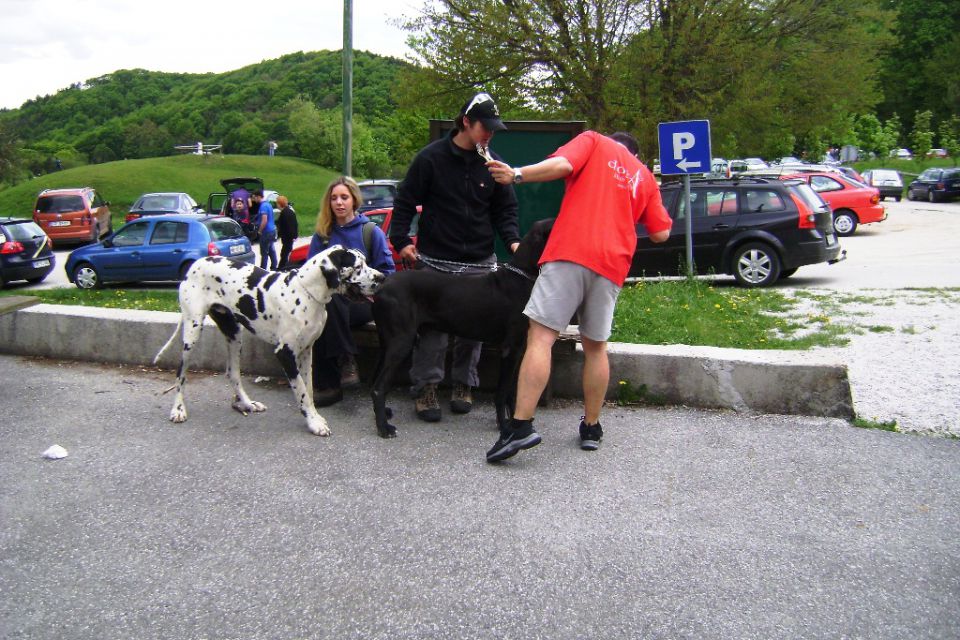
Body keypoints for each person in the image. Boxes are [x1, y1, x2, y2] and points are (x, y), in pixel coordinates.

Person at [483, 131, 673, 463]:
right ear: (635, 153)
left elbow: (562, 164)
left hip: (570, 251)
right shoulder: (644, 177)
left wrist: (516, 174)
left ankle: (520, 426)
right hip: (612, 264)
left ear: (613, 143)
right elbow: (661, 233)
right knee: (595, 347)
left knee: (541, 336)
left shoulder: (595, 142)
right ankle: (591, 427)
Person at [390, 91, 521, 423]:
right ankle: (426, 388)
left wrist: (514, 241)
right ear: (466, 122)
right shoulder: (431, 159)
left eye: (493, 128)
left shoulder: (494, 165)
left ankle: (464, 385)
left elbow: (506, 210)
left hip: (479, 262)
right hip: (435, 261)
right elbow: (405, 199)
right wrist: (402, 239)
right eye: (484, 127)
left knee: (474, 331)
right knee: (431, 332)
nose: (490, 133)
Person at [308, 176, 395, 406]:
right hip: (331, 303)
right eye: (334, 198)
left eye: (344, 197)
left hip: (364, 303)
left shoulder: (370, 231)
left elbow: (387, 271)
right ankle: (338, 371)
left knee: (330, 308)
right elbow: (309, 273)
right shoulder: (323, 235)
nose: (339, 202)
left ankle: (331, 379)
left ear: (354, 200)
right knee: (326, 309)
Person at [252, 189, 277, 270]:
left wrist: (259, 231)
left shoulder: (263, 206)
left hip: (266, 232)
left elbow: (264, 220)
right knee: (271, 249)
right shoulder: (268, 204)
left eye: (254, 198)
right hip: (272, 230)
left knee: (264, 252)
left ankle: (263, 269)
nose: (253, 200)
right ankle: (274, 267)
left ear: (258, 197)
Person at [275, 195, 298, 269]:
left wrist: (292, 236)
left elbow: (289, 226)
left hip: (287, 237)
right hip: (289, 237)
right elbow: (295, 224)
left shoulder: (285, 213)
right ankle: (284, 267)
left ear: (279, 204)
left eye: (277, 203)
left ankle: (282, 268)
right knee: (286, 252)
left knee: (284, 254)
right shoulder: (290, 211)